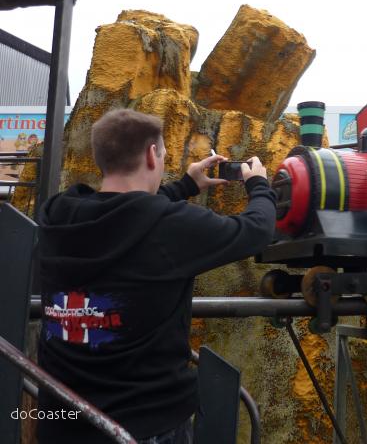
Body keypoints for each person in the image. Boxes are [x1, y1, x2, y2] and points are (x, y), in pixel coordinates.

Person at [36, 109, 277, 443]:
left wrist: (184, 186)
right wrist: (259, 185)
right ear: (152, 155)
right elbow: (255, 229)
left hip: (60, 420)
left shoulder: (58, 215)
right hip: (143, 425)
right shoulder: (169, 227)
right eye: (162, 154)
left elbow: (126, 216)